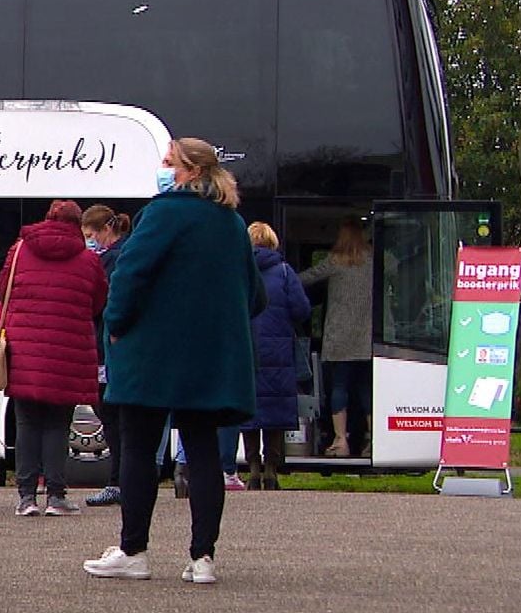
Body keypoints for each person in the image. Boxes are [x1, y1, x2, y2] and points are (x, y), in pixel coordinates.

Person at [83, 137, 264, 585]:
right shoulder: (231, 222)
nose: (163, 169)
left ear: (191, 171)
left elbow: (129, 274)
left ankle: (133, 550)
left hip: (152, 354)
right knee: (202, 451)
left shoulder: (162, 212)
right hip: (209, 357)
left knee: (140, 449)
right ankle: (203, 558)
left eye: (169, 162)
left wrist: (117, 323)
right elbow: (255, 295)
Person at [3, 200, 108, 517]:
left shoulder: (20, 250)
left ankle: (25, 497)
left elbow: (2, 287)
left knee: (26, 423)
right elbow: (98, 301)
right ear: (78, 226)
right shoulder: (89, 260)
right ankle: (56, 495)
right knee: (57, 425)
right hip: (66, 353)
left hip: (24, 351)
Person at [243, 222, 311, 490]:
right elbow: (302, 310)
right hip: (278, 351)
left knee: (248, 413)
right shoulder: (284, 272)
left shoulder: (240, 271)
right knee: (274, 412)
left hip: (247, 349)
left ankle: (252, 470)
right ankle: (272, 470)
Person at [299, 218, 373, 457]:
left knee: (339, 387)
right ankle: (374, 439)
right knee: (366, 390)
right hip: (368, 338)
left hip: (339, 338)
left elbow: (305, 279)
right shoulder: (375, 261)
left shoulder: (335, 261)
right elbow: (398, 265)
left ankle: (341, 441)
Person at [80, 204, 132, 507]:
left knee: (112, 419)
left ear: (106, 230)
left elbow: (100, 303)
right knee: (113, 418)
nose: (89, 241)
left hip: (106, 348)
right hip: (110, 348)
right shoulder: (117, 255)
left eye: (90, 235)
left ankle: (118, 480)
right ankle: (122, 479)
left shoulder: (111, 259)